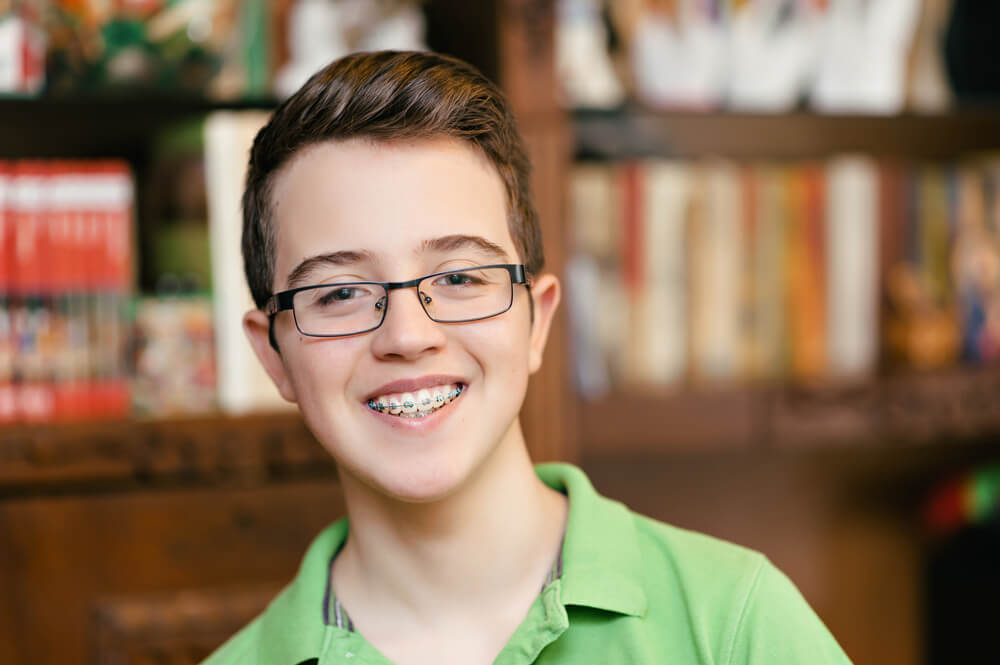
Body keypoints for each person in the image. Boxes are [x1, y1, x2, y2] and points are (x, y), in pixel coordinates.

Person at [202, 50, 852, 665]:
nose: (407, 334)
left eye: (459, 278)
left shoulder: (734, 624)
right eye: (340, 291)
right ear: (274, 353)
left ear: (536, 319)